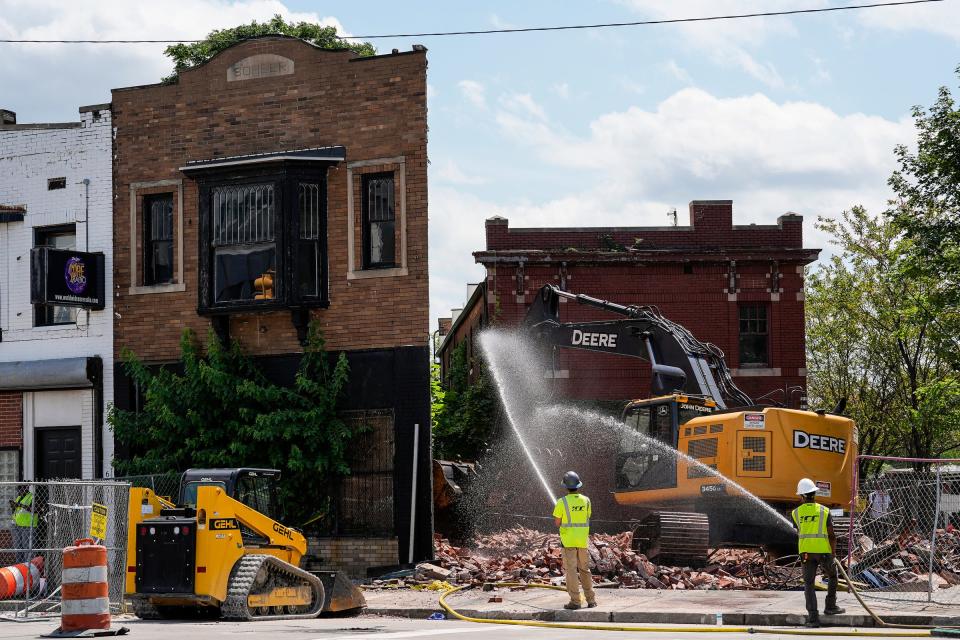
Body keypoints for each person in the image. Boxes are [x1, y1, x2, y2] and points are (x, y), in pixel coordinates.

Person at [792, 478, 844, 628]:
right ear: (814, 493)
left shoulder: (796, 513)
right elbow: (832, 535)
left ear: (801, 496)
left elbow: (800, 531)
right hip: (824, 552)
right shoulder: (824, 511)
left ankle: (813, 619)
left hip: (806, 553)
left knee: (808, 584)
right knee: (833, 576)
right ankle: (830, 607)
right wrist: (833, 553)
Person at [552, 471, 596, 610]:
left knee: (571, 571)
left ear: (565, 486)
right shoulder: (586, 500)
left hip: (568, 541)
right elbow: (587, 517)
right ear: (578, 485)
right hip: (582, 541)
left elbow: (557, 523)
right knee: (585, 570)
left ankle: (576, 602)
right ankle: (591, 600)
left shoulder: (561, 502)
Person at [10, 485, 38, 563]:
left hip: (28, 526)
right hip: (17, 526)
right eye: (19, 490)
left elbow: (35, 510)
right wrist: (13, 506)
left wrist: (20, 505)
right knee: (18, 548)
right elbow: (16, 511)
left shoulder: (32, 497)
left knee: (27, 549)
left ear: (26, 489)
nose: (20, 491)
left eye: (22, 489)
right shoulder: (19, 497)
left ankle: (28, 567)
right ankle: (19, 567)